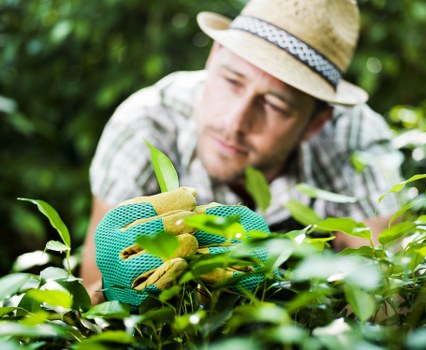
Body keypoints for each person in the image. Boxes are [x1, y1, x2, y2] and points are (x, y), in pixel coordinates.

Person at [81, 0, 402, 304]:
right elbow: (93, 293)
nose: (235, 123)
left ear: (315, 123)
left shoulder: (354, 138)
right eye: (233, 81)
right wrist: (115, 288)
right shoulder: (147, 123)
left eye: (274, 105)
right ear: (214, 56)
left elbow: (386, 293)